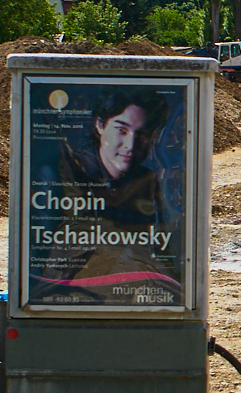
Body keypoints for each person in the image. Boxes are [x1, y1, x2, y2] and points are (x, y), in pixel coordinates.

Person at [32, 88, 179, 304]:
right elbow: (43, 257)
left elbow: (158, 246)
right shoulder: (61, 173)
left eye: (142, 134)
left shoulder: (146, 180)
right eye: (121, 130)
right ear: (100, 125)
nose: (130, 145)